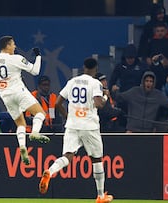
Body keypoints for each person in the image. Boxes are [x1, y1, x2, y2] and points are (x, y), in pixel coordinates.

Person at [38, 58, 113, 203]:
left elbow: (57, 103)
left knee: (67, 156)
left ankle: (50, 171)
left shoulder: (72, 81)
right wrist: (105, 96)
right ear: (95, 69)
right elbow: (99, 104)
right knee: (96, 159)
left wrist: (68, 117)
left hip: (72, 124)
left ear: (83, 68)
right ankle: (100, 196)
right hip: (89, 126)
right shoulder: (95, 83)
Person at [0, 35, 50, 165]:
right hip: (18, 91)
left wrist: (3, 88)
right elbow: (35, 71)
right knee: (40, 113)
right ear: (8, 45)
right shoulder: (15, 58)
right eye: (13, 44)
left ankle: (22, 146)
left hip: (5, 95)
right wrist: (38, 56)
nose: (15, 46)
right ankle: (34, 133)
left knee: (20, 124)